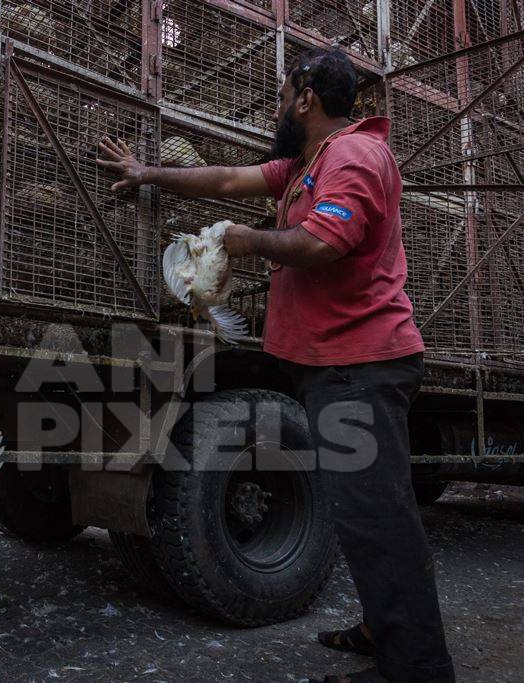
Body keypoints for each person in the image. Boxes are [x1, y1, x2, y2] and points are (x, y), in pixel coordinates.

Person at [98, 47, 454, 683]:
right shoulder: (308, 164)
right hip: (335, 366)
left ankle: (418, 668)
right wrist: (148, 174)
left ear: (306, 97)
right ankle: (384, 629)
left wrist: (245, 241)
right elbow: (230, 179)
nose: (276, 106)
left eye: (282, 93)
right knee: (358, 511)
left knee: (379, 518)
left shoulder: (353, 156)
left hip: (361, 365)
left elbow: (319, 242)